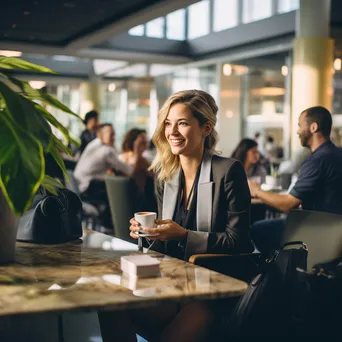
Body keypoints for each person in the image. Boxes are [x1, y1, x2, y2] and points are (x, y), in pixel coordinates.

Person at [99, 90, 254, 342]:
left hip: (215, 291)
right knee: (111, 305)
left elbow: (240, 241)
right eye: (168, 124)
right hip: (175, 285)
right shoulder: (166, 176)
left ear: (206, 128)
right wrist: (148, 234)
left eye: (182, 123)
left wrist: (184, 235)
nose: (172, 132)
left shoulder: (229, 171)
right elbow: (162, 244)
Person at [248, 106, 342, 255]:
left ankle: (284, 273)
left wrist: (256, 191)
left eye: (299, 125)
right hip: (335, 230)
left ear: (313, 127)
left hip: (316, 228)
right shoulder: (337, 154)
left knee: (256, 230)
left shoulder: (317, 161)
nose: (298, 131)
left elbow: (288, 203)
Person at [74, 123, 146, 229]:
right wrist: (137, 151)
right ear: (100, 135)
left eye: (114, 134)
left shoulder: (94, 144)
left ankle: (110, 223)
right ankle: (117, 225)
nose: (113, 137)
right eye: (111, 134)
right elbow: (129, 171)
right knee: (124, 191)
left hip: (78, 186)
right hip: (88, 188)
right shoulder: (106, 151)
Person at [119, 128, 157, 212]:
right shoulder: (126, 157)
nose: (146, 144)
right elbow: (130, 174)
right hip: (136, 200)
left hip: (133, 198)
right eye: (142, 142)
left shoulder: (144, 158)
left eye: (146, 141)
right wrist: (137, 152)